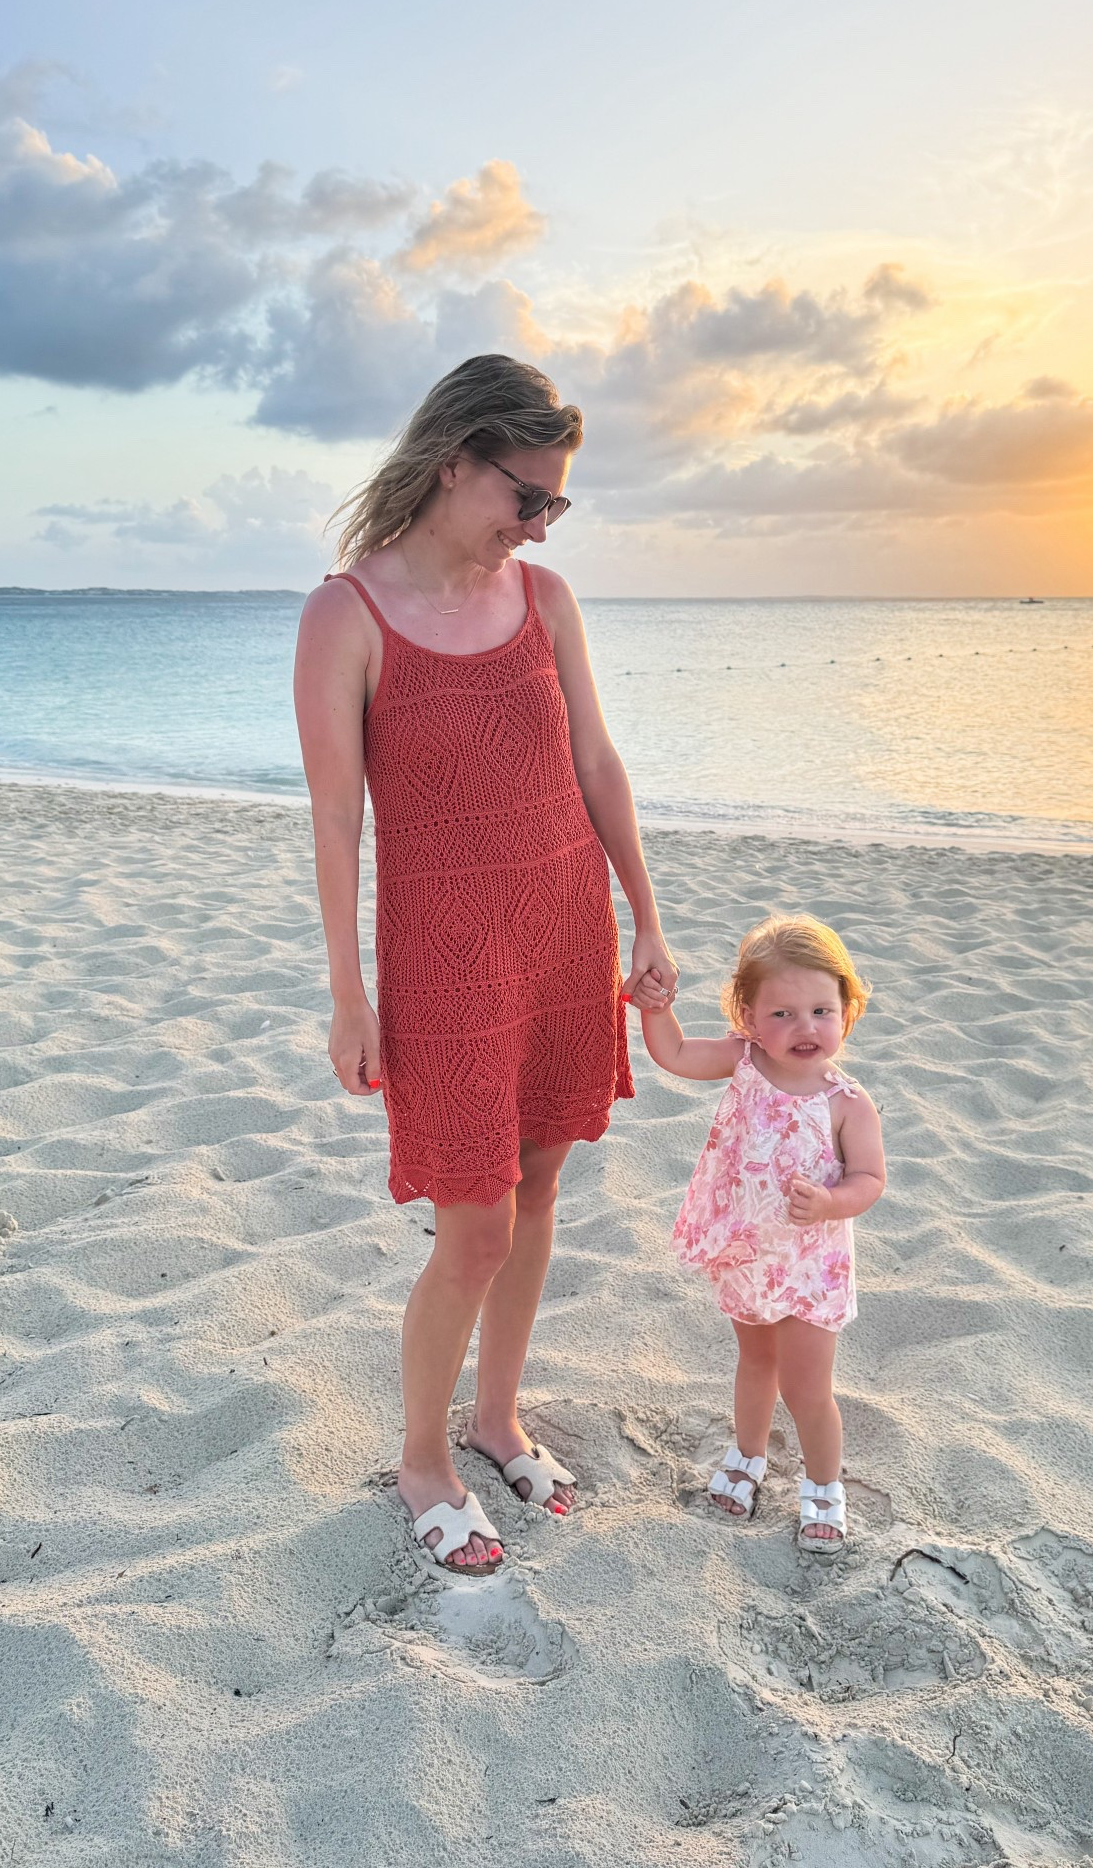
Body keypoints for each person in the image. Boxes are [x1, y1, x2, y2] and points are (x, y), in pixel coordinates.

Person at [293, 354, 677, 1577]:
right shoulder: (345, 613)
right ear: (452, 460)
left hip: (563, 926)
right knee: (471, 1225)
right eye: (527, 494)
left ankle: (498, 1415)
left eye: (556, 504)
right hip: (446, 955)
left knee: (541, 1188)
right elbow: (337, 818)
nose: (540, 521)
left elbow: (600, 769)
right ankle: (423, 1456)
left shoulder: (549, 599)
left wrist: (647, 916)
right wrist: (349, 992)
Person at [632, 915, 884, 1551]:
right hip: (748, 1253)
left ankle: (824, 1485)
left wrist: (830, 1201)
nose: (804, 1028)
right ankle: (748, 1455)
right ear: (748, 1015)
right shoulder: (742, 1062)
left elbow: (870, 1179)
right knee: (755, 1362)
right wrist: (655, 1010)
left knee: (805, 1385)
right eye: (783, 1014)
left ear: (848, 1011)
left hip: (809, 1265)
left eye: (821, 1010)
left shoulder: (846, 1102)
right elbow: (676, 1055)